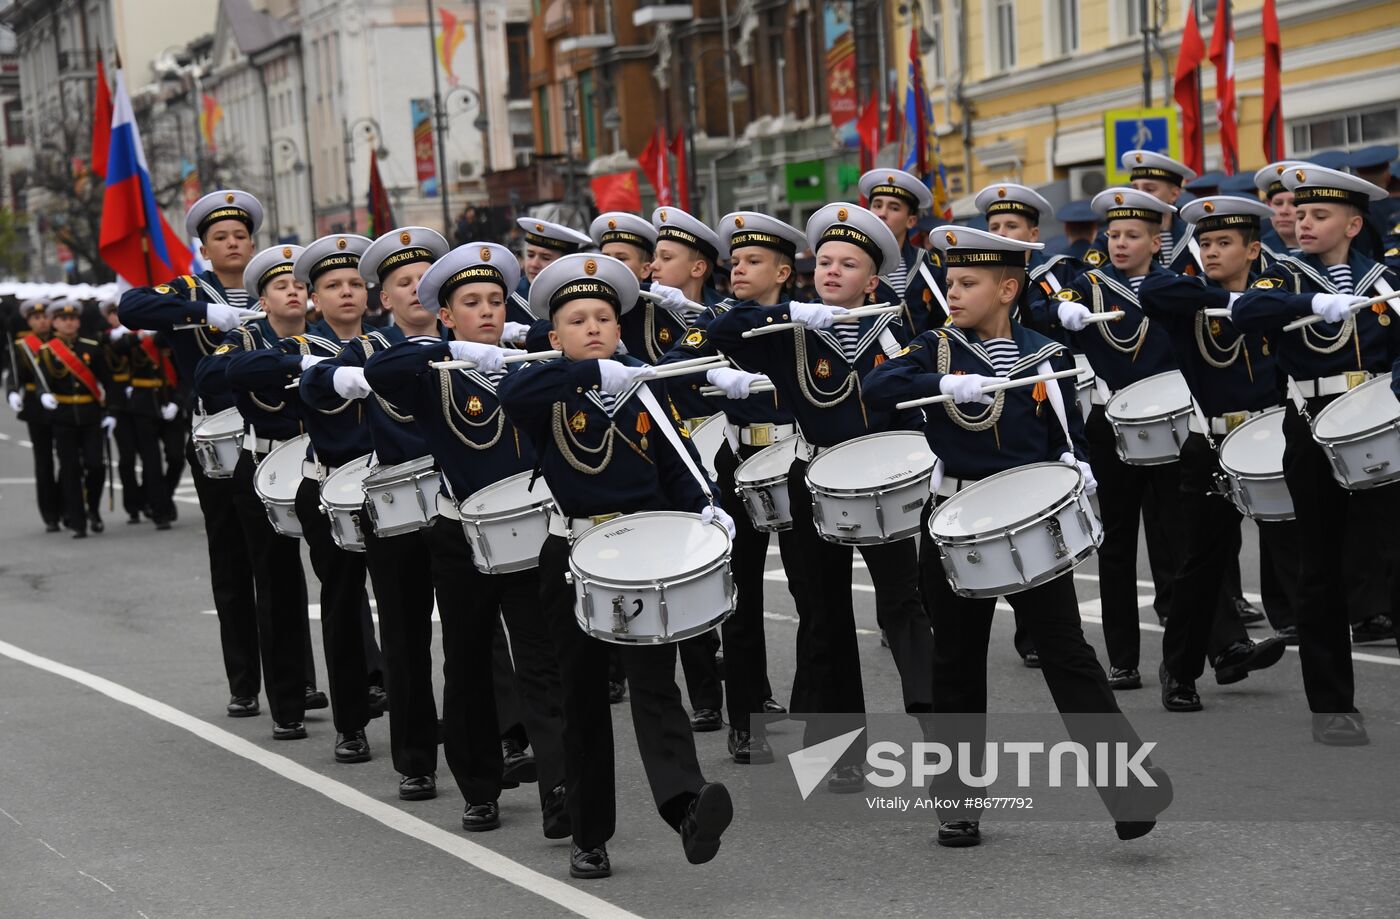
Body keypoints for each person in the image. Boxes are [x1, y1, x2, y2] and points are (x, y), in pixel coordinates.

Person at [863, 225, 1171, 848]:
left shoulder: (1046, 353)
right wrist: (939, 385)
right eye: (950, 281)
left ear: (1008, 289)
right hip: (954, 522)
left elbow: (1068, 427)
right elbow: (875, 388)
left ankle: (1128, 788)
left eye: (968, 283)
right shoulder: (933, 349)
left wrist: (1077, 462)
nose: (953, 292)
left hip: (1029, 520)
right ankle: (958, 804)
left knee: (1068, 653)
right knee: (956, 660)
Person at [498, 253, 735, 880]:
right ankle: (588, 831)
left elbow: (680, 464)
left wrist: (707, 508)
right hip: (572, 554)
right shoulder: (545, 388)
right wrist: (585, 371)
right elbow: (515, 391)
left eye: (604, 317)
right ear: (555, 337)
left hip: (643, 552)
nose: (594, 327)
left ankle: (686, 806)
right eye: (577, 320)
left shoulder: (643, 391)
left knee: (656, 686)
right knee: (581, 696)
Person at [705, 203, 935, 792]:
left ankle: (939, 736)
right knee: (822, 616)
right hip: (811, 482)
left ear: (873, 280)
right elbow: (723, 331)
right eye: (825, 261)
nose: (832, 272)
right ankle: (839, 752)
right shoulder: (793, 334)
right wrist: (791, 310)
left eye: (848, 264)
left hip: (883, 484)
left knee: (903, 608)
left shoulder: (898, 332)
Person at [364, 240, 570, 836]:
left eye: (496, 301)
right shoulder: (432, 369)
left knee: (540, 660)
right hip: (459, 533)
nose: (488, 312)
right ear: (446, 314)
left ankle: (560, 786)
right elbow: (382, 372)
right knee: (469, 659)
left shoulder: (530, 356)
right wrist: (448, 347)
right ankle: (479, 786)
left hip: (532, 527)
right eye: (470, 303)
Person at [1233, 164, 1400, 746]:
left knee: (1394, 556)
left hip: (1380, 426)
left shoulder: (1384, 281)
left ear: (1353, 224)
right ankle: (1332, 707)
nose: (1302, 222)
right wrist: (1312, 300)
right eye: (1299, 214)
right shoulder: (1279, 277)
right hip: (1309, 426)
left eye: (1319, 215)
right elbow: (1245, 313)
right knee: (1320, 565)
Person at [225, 234, 387, 763]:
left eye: (355, 285)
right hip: (323, 486)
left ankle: (403, 706)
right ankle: (346, 722)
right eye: (333, 286)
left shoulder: (388, 345)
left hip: (387, 487)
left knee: (401, 608)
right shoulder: (296, 347)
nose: (347, 294)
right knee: (337, 604)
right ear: (315, 299)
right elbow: (235, 372)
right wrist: (314, 370)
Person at [1138, 196, 1295, 711]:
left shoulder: (1272, 294)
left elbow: (1287, 306)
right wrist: (1218, 295)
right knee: (1201, 565)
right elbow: (1153, 289)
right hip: (1212, 446)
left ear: (1253, 250)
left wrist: (1248, 301)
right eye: (1204, 243)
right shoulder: (1191, 303)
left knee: (1300, 555)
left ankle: (1320, 669)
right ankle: (1179, 672)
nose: (1211, 252)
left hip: (1274, 441)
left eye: (1224, 244)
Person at [119, 189, 269, 717]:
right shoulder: (189, 287)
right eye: (220, 238)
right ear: (205, 249)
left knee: (281, 565)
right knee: (230, 560)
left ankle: (294, 679)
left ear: (254, 244)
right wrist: (203, 311)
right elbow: (132, 306)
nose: (232, 244)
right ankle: (244, 681)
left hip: (276, 439)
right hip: (215, 440)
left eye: (240, 236)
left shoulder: (270, 286)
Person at [586, 208, 726, 730]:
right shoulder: (590, 316)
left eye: (621, 260)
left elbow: (693, 365)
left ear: (644, 269)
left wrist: (692, 314)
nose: (608, 269)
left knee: (684, 570)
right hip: (614, 460)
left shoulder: (665, 313)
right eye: (603, 258)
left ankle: (707, 694)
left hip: (671, 450)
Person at [1054, 188, 1186, 689]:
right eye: (1114, 235)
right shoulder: (1086, 287)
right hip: (1109, 425)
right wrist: (1062, 313)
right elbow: (1047, 311)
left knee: (1176, 539)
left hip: (1169, 423)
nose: (1121, 244)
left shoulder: (1175, 288)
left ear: (1157, 242)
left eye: (1134, 235)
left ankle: (1180, 661)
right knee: (1116, 545)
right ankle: (1122, 658)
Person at [193, 243, 320, 741]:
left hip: (326, 464)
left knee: (346, 583)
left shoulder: (329, 336)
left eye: (299, 285)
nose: (293, 292)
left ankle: (368, 685)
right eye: (280, 286)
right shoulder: (246, 338)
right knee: (277, 584)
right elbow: (209, 377)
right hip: (266, 463)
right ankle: (284, 702)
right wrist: (284, 361)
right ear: (262, 301)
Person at [37, 300, 113, 538]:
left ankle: (93, 508)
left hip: (90, 416)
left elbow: (108, 383)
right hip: (63, 417)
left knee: (96, 466)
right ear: (55, 323)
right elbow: (41, 382)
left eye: (72, 318)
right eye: (63, 319)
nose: (68, 322)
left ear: (78, 321)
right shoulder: (47, 351)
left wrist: (110, 413)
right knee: (70, 470)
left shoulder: (92, 347)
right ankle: (77, 520)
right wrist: (43, 396)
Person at [107, 307, 180, 530]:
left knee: (177, 457)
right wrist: (137, 336)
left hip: (170, 401)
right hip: (142, 405)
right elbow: (115, 352)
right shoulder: (132, 338)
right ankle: (160, 512)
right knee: (151, 462)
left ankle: (162, 497)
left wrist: (179, 401)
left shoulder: (173, 335)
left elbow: (186, 371)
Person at [859, 167, 945, 337]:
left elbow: (943, 319)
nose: (882, 214)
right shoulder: (852, 263)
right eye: (877, 205)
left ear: (911, 221)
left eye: (894, 208)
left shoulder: (929, 263)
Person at [7, 298, 62, 531]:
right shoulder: (22, 346)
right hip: (35, 408)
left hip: (62, 404)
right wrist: (12, 393)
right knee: (44, 462)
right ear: (29, 321)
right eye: (35, 318)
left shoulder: (62, 343)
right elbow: (14, 375)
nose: (41, 321)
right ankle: (50, 513)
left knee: (69, 460)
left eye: (44, 317)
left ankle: (68, 506)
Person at [511, 217, 591, 324]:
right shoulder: (512, 298)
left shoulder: (586, 296)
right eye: (530, 255)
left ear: (567, 263)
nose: (534, 264)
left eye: (545, 258)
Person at [1256, 161, 1307, 259]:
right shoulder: (1257, 255)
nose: (1284, 211)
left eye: (1293, 203)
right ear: (1269, 206)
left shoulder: (1327, 250)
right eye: (1278, 203)